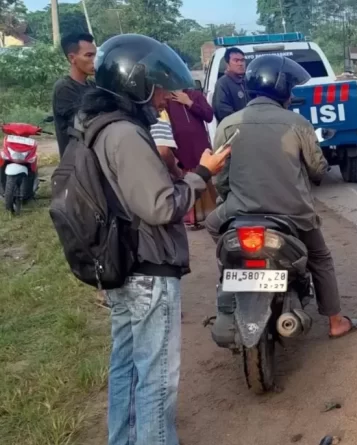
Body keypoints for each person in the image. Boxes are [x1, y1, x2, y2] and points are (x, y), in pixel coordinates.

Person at [78, 33, 230, 445]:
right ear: (135, 83)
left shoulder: (98, 125)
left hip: (123, 263)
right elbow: (161, 207)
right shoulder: (126, 134)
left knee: (127, 367)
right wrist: (202, 174)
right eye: (158, 89)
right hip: (147, 268)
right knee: (156, 378)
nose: (163, 98)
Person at [205, 54, 357, 340]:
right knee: (320, 258)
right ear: (281, 89)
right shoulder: (297, 123)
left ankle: (231, 276)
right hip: (294, 214)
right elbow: (317, 169)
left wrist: (231, 198)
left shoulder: (228, 123)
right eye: (290, 89)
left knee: (213, 226)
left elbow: (222, 178)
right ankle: (335, 321)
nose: (291, 95)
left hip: (239, 212)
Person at [165, 88, 215, 227]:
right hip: (181, 148)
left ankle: (208, 217)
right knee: (186, 179)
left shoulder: (195, 95)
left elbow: (209, 115)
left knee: (204, 177)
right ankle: (192, 219)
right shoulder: (167, 99)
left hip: (199, 147)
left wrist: (189, 103)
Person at [52, 32, 96, 157]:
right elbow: (84, 122)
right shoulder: (64, 88)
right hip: (76, 162)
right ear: (72, 58)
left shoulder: (93, 86)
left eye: (95, 55)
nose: (95, 60)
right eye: (89, 55)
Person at [212, 47, 249, 123]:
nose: (240, 64)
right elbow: (222, 111)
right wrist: (244, 120)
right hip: (234, 127)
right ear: (227, 64)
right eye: (236, 60)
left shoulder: (249, 81)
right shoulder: (223, 83)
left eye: (242, 60)